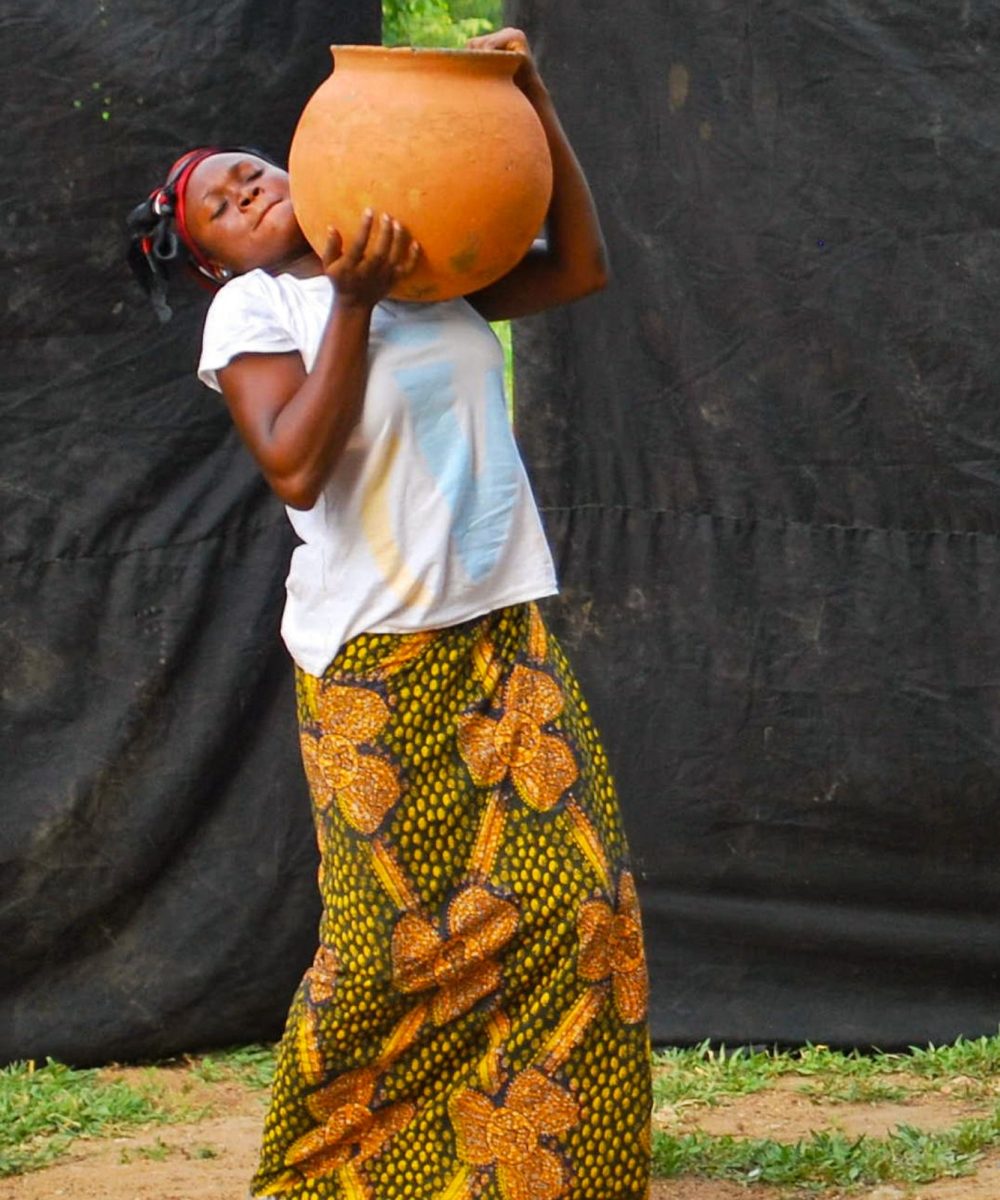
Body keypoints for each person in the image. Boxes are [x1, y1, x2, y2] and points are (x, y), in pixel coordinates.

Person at [128, 28, 652, 1200]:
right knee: (385, 954)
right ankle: (331, 1177)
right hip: (374, 663)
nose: (250, 184)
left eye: (255, 166)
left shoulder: (427, 268)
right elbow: (295, 467)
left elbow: (578, 264)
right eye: (222, 197)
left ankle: (543, 1178)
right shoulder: (257, 311)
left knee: (582, 909)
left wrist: (532, 98)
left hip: (499, 630)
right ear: (209, 258)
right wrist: (350, 305)